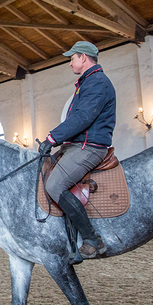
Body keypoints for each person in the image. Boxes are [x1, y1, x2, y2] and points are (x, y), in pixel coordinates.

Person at [38, 41, 116, 259]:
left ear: (83, 57)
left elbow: (83, 118)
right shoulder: (87, 82)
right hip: (78, 144)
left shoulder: (97, 82)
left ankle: (92, 239)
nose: (70, 63)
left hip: (90, 147)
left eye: (72, 58)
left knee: (54, 185)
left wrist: (52, 138)